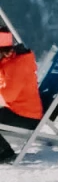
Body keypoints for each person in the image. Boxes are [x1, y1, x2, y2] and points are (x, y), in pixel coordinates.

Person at [0, 32, 42, 163]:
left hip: (26, 116)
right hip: (16, 110)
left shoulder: (17, 64)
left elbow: (9, 95)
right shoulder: (8, 62)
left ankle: (4, 153)